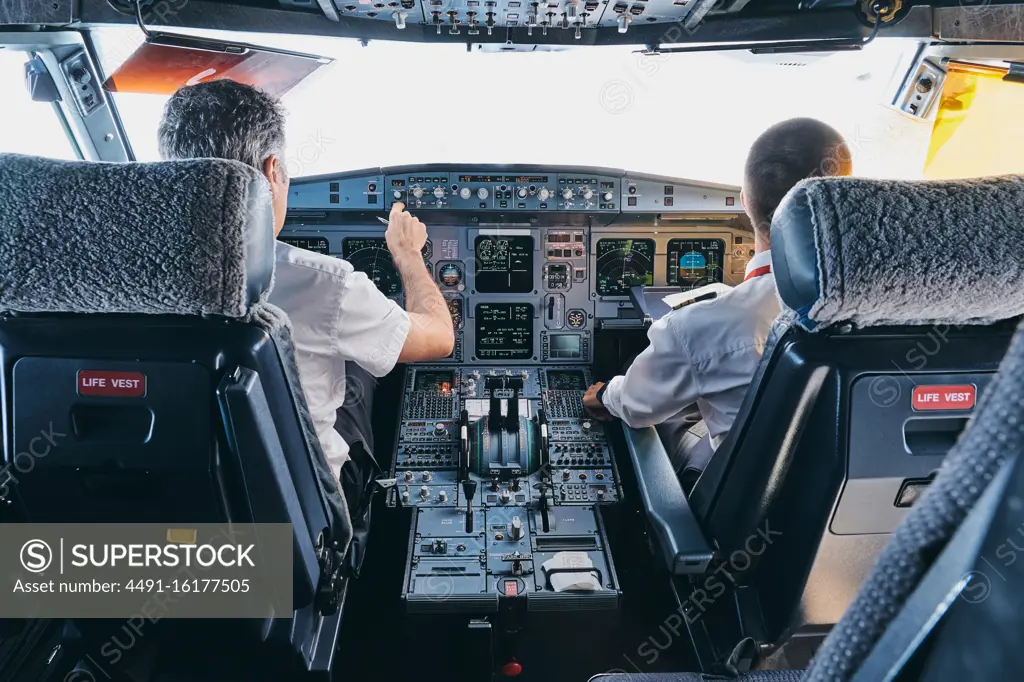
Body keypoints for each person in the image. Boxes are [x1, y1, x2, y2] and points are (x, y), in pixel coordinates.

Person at [157, 79, 455, 516]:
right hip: (298, 528)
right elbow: (439, 338)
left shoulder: (110, 281)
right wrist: (409, 256)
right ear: (272, 170)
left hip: (159, 510)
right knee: (361, 371)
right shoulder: (324, 283)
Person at [583, 118, 852, 487]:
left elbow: (635, 405)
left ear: (744, 201)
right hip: (854, 505)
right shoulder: (903, 304)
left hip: (744, 504)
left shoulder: (701, 326)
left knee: (661, 390)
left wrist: (604, 396)